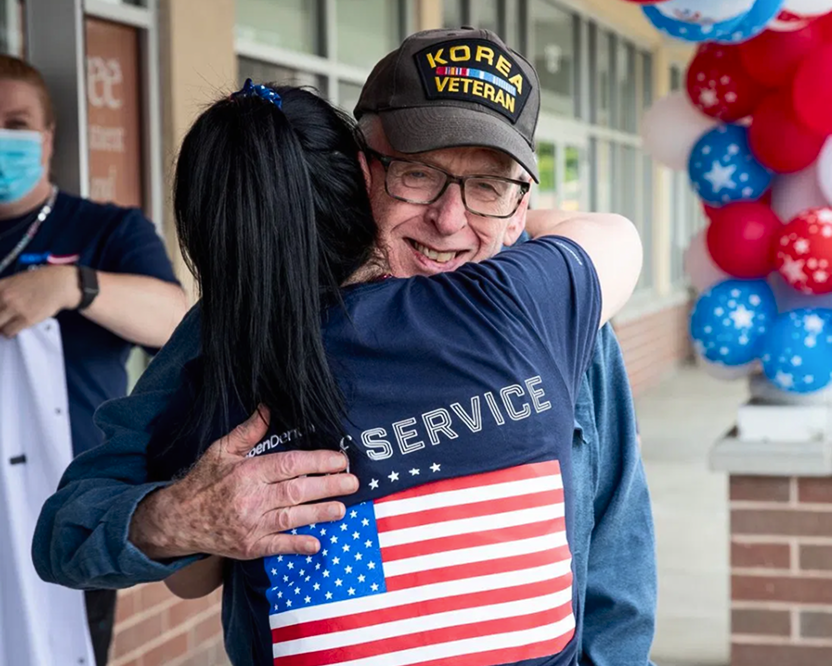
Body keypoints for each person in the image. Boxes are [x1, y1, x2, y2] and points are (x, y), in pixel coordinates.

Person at [34, 28, 656, 665]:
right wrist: (180, 518)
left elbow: (616, 564)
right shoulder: (247, 322)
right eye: (419, 175)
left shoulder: (556, 314)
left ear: (523, 205)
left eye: (488, 188)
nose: (450, 221)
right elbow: (71, 530)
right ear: (362, 169)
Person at [0, 54, 188, 666]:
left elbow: (175, 322)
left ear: (47, 139)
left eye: (16, 122)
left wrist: (73, 288)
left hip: (65, 510)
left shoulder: (108, 231)